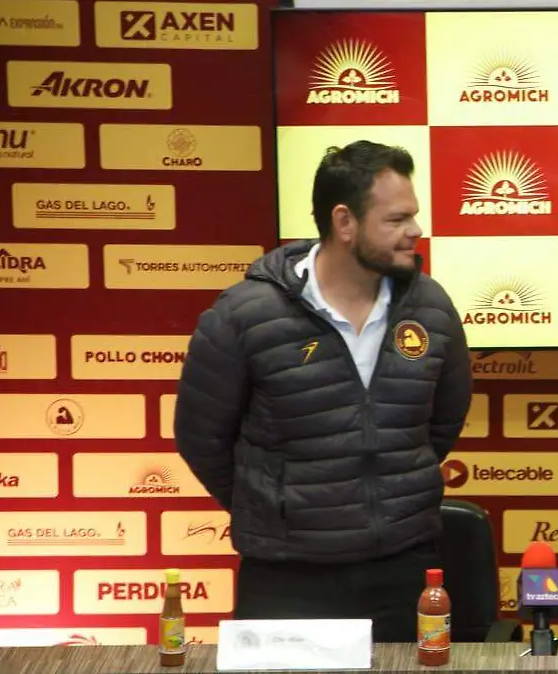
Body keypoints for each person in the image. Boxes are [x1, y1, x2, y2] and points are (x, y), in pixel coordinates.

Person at [174, 140, 472, 642]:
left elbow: (442, 422)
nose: (415, 230)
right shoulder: (245, 314)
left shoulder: (431, 308)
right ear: (345, 222)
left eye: (413, 215)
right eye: (397, 219)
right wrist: (276, 506)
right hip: (287, 578)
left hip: (404, 570)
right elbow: (201, 438)